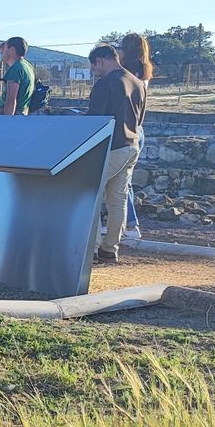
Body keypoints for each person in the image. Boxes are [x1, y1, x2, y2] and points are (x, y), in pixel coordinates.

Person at [86, 44, 145, 264]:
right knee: (117, 198)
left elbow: (94, 121)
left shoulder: (106, 84)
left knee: (90, 195)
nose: (95, 72)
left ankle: (89, 249)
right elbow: (140, 119)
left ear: (100, 61)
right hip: (132, 144)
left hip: (111, 147)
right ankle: (110, 249)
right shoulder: (138, 83)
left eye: (95, 68)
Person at [113, 33, 152, 242]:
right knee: (124, 180)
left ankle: (128, 224)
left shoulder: (127, 74)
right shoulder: (143, 73)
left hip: (128, 130)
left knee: (120, 180)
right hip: (138, 128)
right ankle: (128, 224)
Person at [0, 36, 35, 116]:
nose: (1, 53)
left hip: (13, 116)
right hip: (22, 114)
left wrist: (6, 121)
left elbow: (11, 100)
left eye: (4, 49)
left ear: (12, 50)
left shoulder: (16, 69)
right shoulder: (28, 66)